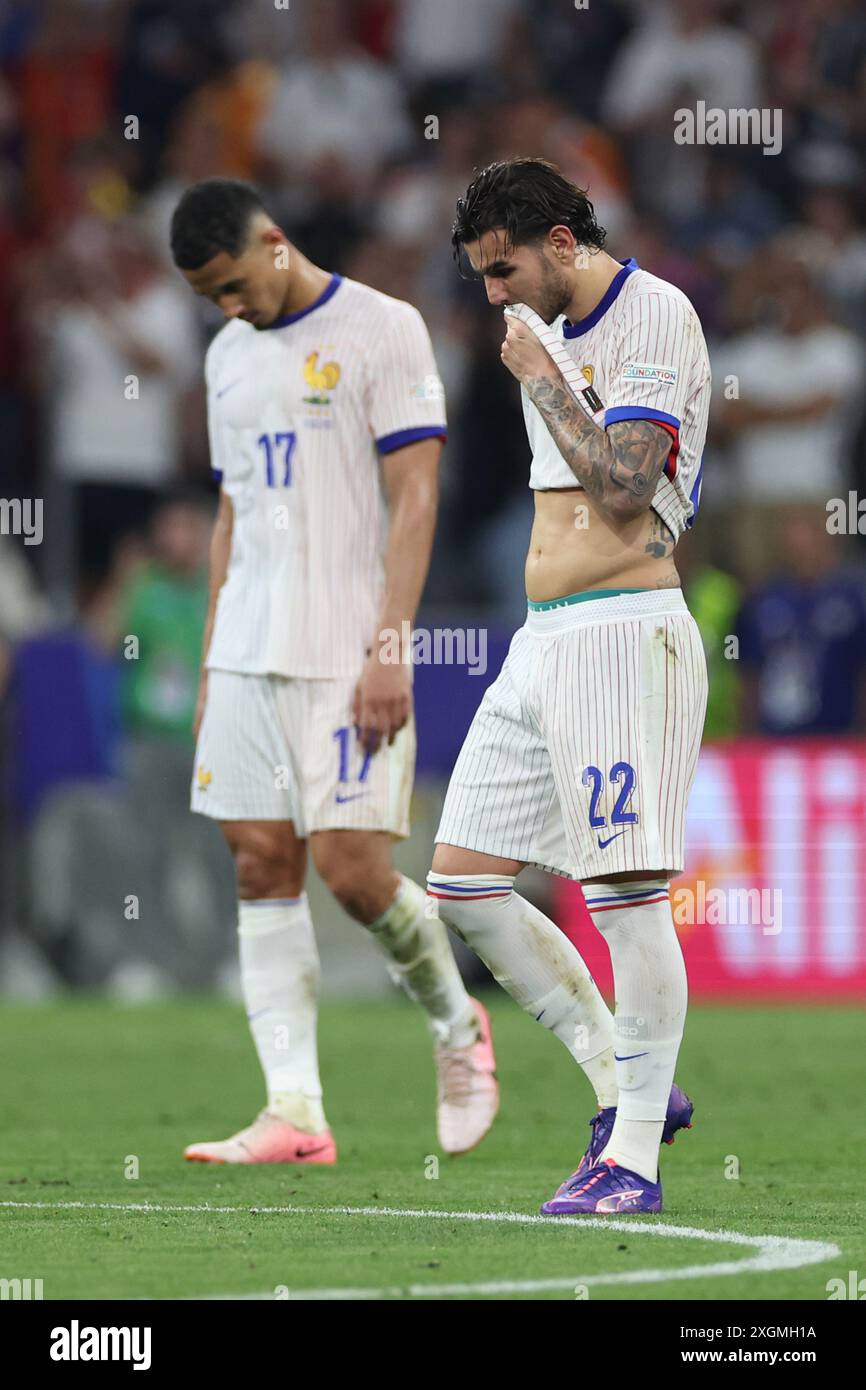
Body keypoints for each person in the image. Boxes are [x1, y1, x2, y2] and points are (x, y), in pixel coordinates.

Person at [169, 178, 497, 1166]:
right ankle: (296, 1111)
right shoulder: (227, 356)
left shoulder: (381, 328)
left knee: (353, 874)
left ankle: (456, 1025)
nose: (227, 308)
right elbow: (231, 515)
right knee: (259, 861)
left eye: (231, 284)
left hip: (347, 643)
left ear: (273, 241)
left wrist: (389, 645)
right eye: (207, 297)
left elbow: (415, 497)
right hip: (246, 650)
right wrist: (206, 662)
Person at [426, 158, 711, 1214]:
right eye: (479, 277)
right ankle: (625, 1085)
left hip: (621, 631)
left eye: (502, 269)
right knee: (459, 883)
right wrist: (539, 363)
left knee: (624, 897)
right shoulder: (539, 327)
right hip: (541, 638)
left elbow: (628, 492)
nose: (491, 294)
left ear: (557, 240)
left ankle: (629, 1159)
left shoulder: (652, 316)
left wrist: (540, 378)